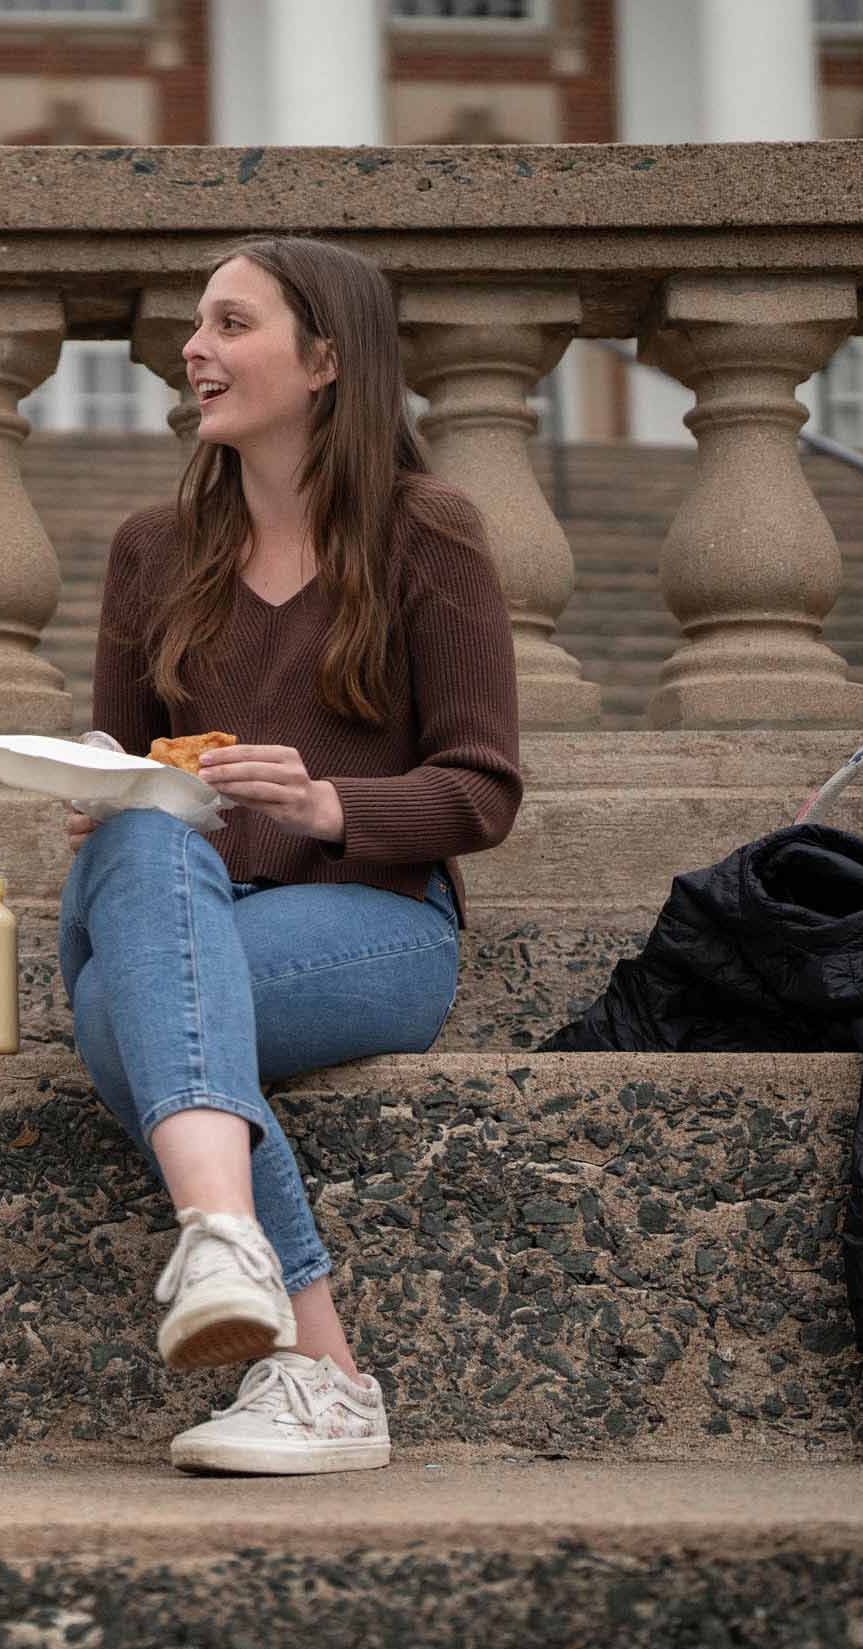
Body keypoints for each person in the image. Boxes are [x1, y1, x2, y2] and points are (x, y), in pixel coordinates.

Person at [60, 237, 522, 1476]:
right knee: (147, 834)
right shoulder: (150, 551)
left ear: (326, 360)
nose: (194, 351)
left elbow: (483, 788)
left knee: (121, 1014)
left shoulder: (430, 533)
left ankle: (273, 1311)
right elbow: (121, 764)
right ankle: (289, 1321)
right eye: (194, 327)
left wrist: (326, 803)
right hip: (180, 903)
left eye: (229, 323)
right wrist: (100, 794)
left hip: (369, 919)